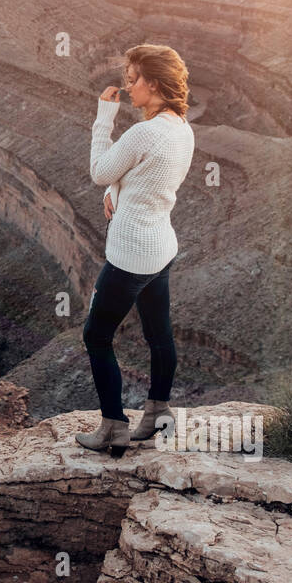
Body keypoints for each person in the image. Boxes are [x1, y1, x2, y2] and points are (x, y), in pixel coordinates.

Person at [76, 43, 195, 457]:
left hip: (129, 255)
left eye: (132, 79)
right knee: (158, 334)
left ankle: (113, 428)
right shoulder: (182, 128)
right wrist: (115, 190)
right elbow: (143, 177)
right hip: (161, 248)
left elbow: (99, 171)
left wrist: (102, 118)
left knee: (96, 335)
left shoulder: (142, 132)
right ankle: (158, 413)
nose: (127, 87)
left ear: (155, 83)